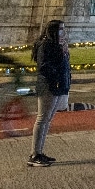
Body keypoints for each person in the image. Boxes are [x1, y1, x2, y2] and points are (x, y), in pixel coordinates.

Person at [29, 20, 70, 168]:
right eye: (60, 29)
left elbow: (64, 67)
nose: (63, 32)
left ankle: (39, 151)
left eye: (63, 29)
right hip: (48, 86)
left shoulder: (57, 45)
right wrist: (61, 53)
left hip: (56, 86)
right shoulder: (46, 45)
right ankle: (34, 155)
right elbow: (44, 67)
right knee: (42, 119)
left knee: (47, 119)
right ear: (53, 30)